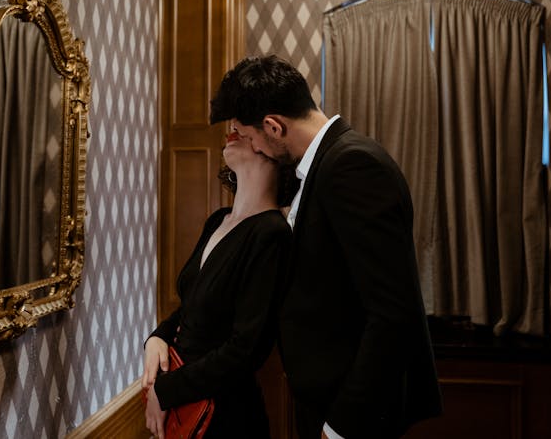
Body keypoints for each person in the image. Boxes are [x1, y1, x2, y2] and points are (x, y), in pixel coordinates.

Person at [209, 55, 443, 439]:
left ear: (273, 126)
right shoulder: (319, 167)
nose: (255, 148)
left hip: (354, 412)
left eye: (249, 137)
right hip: (327, 399)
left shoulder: (351, 166)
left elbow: (391, 314)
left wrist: (340, 426)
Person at [141, 129, 296, 438]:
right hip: (184, 402)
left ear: (273, 151)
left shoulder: (272, 234)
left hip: (226, 415)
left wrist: (166, 391)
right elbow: (193, 307)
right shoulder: (218, 219)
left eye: (245, 129)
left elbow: (246, 350)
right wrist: (157, 337)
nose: (231, 132)